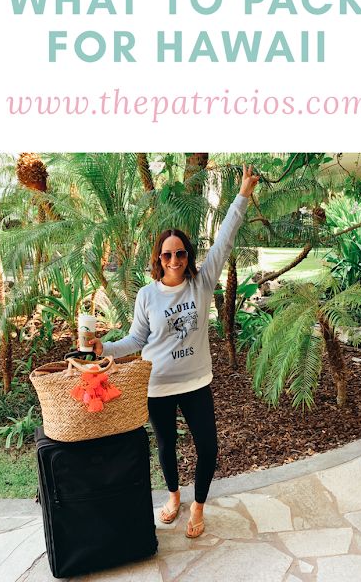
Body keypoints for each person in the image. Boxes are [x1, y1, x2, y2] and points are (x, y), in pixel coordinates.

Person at [87, 164, 259, 538]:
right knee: (166, 448)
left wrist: (242, 194)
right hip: (159, 385)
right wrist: (106, 348)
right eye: (167, 255)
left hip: (196, 382)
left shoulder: (201, 282)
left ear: (188, 256)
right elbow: (136, 340)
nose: (175, 261)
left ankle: (198, 506)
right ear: (158, 259)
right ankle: (173, 496)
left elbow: (226, 238)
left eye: (180, 254)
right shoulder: (148, 295)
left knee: (209, 448)